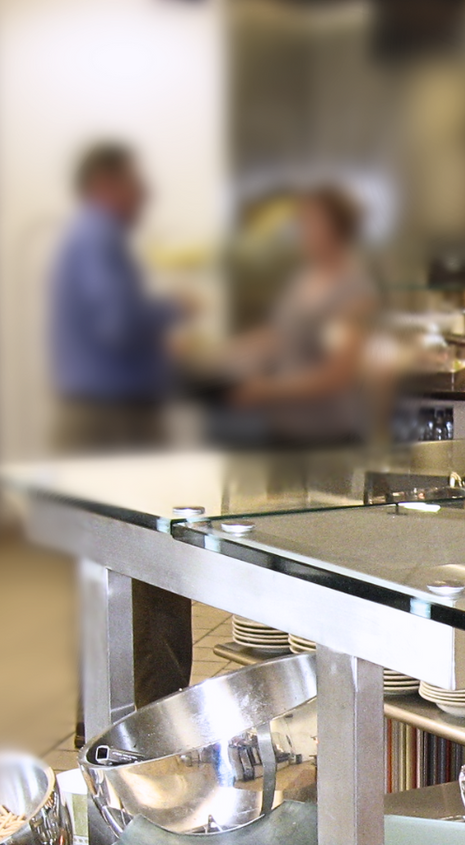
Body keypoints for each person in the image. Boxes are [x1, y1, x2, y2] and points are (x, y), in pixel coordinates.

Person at [48, 140, 192, 712]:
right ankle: (153, 730)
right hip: (117, 427)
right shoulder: (98, 242)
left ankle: (103, 726)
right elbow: (118, 326)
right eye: (133, 182)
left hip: (98, 422)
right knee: (147, 580)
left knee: (106, 582)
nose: (143, 194)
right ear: (105, 183)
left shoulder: (87, 241)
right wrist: (170, 310)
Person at [223, 186, 379, 446]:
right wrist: (221, 355)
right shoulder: (302, 279)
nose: (303, 233)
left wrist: (267, 390)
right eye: (302, 223)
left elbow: (337, 374)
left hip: (327, 437)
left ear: (337, 230)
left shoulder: (354, 292)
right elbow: (278, 335)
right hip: (283, 431)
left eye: (312, 223)